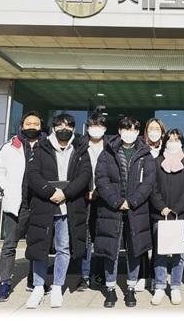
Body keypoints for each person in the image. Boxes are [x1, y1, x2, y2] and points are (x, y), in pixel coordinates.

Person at [25, 113, 92, 309]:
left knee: (64, 248)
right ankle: (38, 287)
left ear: (73, 129)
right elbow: (32, 174)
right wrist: (50, 192)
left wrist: (65, 193)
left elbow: (85, 175)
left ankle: (57, 286)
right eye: (60, 125)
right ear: (53, 128)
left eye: (68, 126)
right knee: (40, 247)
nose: (64, 129)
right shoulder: (41, 147)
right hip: (44, 206)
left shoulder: (81, 149)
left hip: (68, 207)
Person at [94, 116, 156, 308]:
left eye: (133, 130)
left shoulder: (145, 154)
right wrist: (116, 201)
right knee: (111, 250)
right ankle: (110, 288)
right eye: (125, 129)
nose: (129, 133)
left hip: (136, 209)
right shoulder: (107, 152)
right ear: (120, 131)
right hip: (111, 209)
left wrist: (132, 201)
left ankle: (131, 287)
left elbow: (148, 182)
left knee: (134, 250)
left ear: (137, 132)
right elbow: (101, 179)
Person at [0, 111, 47, 302]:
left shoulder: (47, 146)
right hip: (17, 205)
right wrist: (6, 192)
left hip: (39, 204)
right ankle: (5, 282)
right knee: (9, 245)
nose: (32, 127)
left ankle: (34, 280)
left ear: (41, 127)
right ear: (22, 126)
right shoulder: (9, 147)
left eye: (36, 124)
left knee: (37, 245)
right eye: (29, 123)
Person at [149, 128, 184, 306]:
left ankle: (175, 286)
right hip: (160, 213)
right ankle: (160, 286)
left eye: (177, 139)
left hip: (180, 215)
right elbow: (152, 186)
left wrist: (176, 209)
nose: (173, 142)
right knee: (160, 251)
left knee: (178, 252)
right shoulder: (156, 162)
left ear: (182, 142)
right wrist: (162, 207)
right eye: (170, 139)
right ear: (165, 142)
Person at [76, 112, 108, 292]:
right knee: (86, 238)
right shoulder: (79, 145)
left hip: (104, 197)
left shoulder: (110, 147)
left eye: (100, 125)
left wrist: (100, 191)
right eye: (93, 125)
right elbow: (73, 171)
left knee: (102, 237)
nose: (96, 129)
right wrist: (84, 191)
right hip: (83, 197)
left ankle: (101, 274)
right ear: (88, 128)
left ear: (105, 129)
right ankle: (85, 275)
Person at [136, 117, 166, 292]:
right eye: (151, 128)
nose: (154, 132)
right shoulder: (139, 149)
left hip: (159, 201)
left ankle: (155, 276)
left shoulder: (166, 150)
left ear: (162, 132)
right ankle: (142, 275)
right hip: (141, 200)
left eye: (157, 129)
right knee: (141, 238)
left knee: (157, 241)